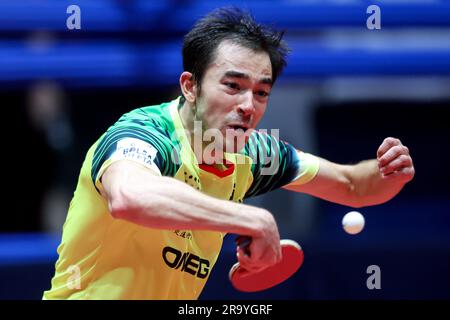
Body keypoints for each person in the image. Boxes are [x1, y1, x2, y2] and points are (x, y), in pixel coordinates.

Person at [43, 7, 415, 300]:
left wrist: (385, 172)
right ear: (190, 86)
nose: (248, 105)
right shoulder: (146, 135)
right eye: (233, 86)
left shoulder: (254, 155)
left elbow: (352, 186)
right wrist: (252, 220)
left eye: (261, 92)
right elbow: (129, 196)